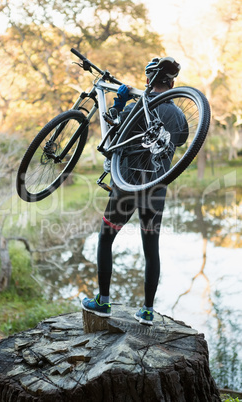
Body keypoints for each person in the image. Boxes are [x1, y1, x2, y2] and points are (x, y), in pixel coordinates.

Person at [81, 57, 188, 325]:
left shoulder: (137, 106)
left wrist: (118, 103)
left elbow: (114, 134)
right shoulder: (179, 115)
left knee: (106, 239)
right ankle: (148, 311)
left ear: (148, 80)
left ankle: (102, 302)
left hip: (125, 185)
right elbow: (185, 139)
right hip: (155, 189)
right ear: (172, 83)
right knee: (151, 249)